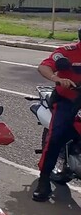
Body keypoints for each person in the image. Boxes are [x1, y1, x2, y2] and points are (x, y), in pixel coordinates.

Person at [32, 25, 81, 202]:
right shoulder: (67, 52)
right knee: (56, 136)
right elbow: (44, 66)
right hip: (68, 101)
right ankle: (44, 180)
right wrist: (58, 79)